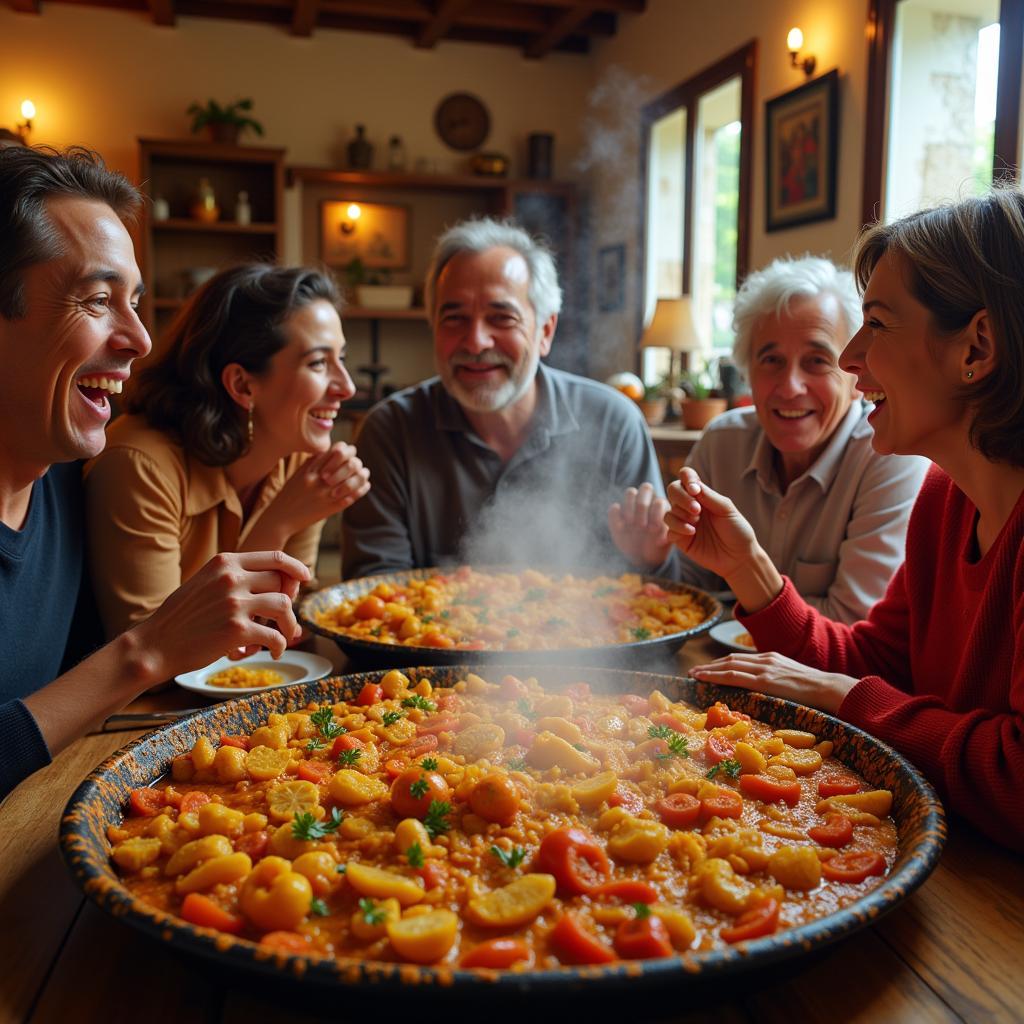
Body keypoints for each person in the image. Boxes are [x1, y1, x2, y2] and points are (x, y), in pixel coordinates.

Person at [665, 188, 1024, 851]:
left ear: (976, 347)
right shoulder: (946, 499)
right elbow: (879, 663)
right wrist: (750, 570)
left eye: (878, 325)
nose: (853, 357)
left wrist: (844, 695)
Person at [0, 145, 309, 799]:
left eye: (135, 302)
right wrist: (147, 651)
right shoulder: (121, 464)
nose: (140, 338)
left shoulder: (62, 478)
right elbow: (132, 663)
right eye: (96, 299)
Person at [342, 217, 669, 578]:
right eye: (455, 318)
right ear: (433, 326)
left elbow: (658, 599)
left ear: (545, 331)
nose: (476, 341)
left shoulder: (613, 423)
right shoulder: (389, 431)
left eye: (501, 318)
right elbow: (372, 597)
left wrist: (649, 561)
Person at [624, 257, 928, 623]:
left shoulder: (889, 457)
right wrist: (655, 558)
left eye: (817, 361)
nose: (789, 387)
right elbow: (691, 595)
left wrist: (736, 599)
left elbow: (854, 626)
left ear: (855, 378)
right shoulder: (722, 443)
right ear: (748, 372)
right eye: (771, 360)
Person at [83, 264, 369, 638]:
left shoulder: (301, 456)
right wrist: (277, 523)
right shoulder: (138, 466)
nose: (346, 387)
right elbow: (148, 657)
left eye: (341, 358)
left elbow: (283, 627)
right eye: (318, 363)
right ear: (242, 385)